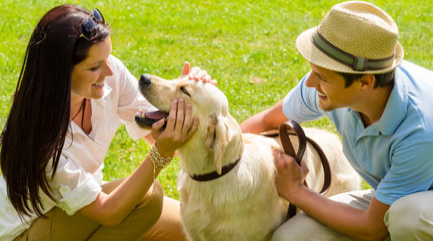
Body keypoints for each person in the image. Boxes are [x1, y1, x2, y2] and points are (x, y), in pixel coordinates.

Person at [0, 5, 212, 241]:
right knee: (148, 198)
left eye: (108, 58)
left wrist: (185, 94)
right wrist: (159, 154)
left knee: (197, 229)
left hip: (85, 209)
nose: (109, 71)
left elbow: (158, 132)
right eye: (94, 67)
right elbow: (107, 211)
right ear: (59, 73)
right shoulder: (39, 136)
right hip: (30, 231)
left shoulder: (109, 76)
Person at [241, 1, 433, 240]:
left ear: (365, 83)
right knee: (292, 237)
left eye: (321, 76)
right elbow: (266, 121)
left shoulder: (421, 128)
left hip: (419, 206)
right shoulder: (332, 85)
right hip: (395, 196)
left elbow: (371, 229)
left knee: (407, 218)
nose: (310, 83)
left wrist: (296, 191)